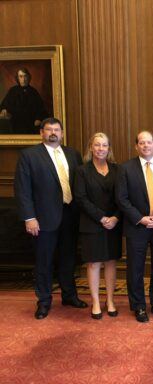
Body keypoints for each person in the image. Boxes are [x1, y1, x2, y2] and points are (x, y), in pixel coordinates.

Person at [14, 117, 87, 319]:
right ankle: (44, 301)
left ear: (62, 133)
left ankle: (69, 295)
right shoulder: (29, 155)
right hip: (43, 218)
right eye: (49, 129)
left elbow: (80, 185)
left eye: (57, 129)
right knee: (44, 261)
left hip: (70, 215)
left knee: (68, 258)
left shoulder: (73, 154)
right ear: (42, 133)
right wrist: (29, 217)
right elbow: (23, 190)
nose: (53, 132)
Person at [116, 131, 153, 323]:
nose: (146, 146)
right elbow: (122, 199)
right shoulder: (125, 168)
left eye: (149, 142)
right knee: (135, 268)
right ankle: (138, 306)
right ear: (136, 146)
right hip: (137, 226)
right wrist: (141, 218)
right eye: (141, 143)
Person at [74, 133, 122, 320]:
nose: (101, 148)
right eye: (97, 145)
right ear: (91, 148)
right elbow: (81, 198)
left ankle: (110, 300)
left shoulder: (118, 170)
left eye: (104, 145)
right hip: (92, 223)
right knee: (94, 263)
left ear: (109, 148)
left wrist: (116, 218)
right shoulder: (82, 171)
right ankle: (95, 301)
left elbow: (123, 198)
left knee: (111, 261)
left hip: (114, 224)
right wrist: (102, 218)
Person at [0, 68, 48, 134]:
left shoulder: (33, 92)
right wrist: (4, 109)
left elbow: (41, 109)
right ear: (17, 78)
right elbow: (4, 104)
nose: (23, 79)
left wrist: (39, 118)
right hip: (15, 123)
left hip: (30, 123)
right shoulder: (13, 91)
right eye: (21, 76)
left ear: (29, 77)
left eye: (25, 76)